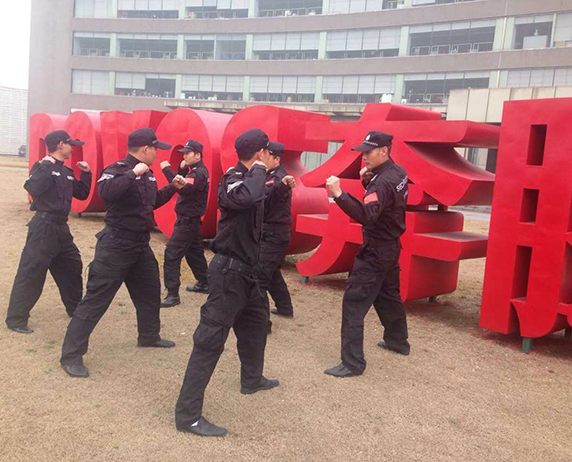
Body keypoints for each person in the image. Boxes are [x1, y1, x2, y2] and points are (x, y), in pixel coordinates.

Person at [175, 128, 279, 438]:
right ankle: (188, 416)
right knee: (209, 340)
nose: (270, 157)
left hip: (248, 273)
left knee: (257, 326)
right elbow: (247, 197)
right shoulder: (233, 179)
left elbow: (263, 201)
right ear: (259, 154)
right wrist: (258, 168)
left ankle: (252, 379)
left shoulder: (254, 179)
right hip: (228, 273)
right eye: (267, 152)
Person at [60, 128, 185, 378]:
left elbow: (152, 202)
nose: (157, 153)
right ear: (145, 149)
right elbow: (106, 193)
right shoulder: (117, 169)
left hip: (140, 244)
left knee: (150, 292)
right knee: (96, 300)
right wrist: (132, 173)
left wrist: (172, 186)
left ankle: (148, 336)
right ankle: (71, 356)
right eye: (155, 148)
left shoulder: (149, 174)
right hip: (116, 245)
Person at [324, 131, 410, 378]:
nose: (364, 157)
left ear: (384, 151)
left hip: (376, 250)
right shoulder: (398, 172)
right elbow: (386, 204)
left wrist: (339, 194)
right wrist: (367, 182)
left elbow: (367, 214)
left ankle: (352, 363)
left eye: (369, 152)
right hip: (391, 246)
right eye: (363, 152)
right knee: (388, 296)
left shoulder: (381, 182)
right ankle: (397, 341)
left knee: (353, 302)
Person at [5, 130, 91, 334]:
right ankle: (16, 319)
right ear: (61, 145)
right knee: (32, 272)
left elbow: (82, 193)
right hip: (43, 228)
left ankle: (74, 309)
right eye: (70, 144)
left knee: (72, 266)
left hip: (61, 228)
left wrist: (86, 173)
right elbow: (32, 187)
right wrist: (45, 165)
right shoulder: (43, 166)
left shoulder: (66, 172)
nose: (73, 148)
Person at [159, 139, 210, 308]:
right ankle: (205, 282)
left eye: (188, 153)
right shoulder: (194, 171)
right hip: (189, 220)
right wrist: (181, 169)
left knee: (172, 254)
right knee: (194, 253)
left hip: (188, 221)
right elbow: (185, 183)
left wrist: (166, 169)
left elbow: (183, 188)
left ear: (198, 155)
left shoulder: (198, 173)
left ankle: (172, 294)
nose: (185, 156)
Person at [254, 141, 295, 324]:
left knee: (259, 277)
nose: (261, 156)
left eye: (265, 154)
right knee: (272, 274)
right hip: (272, 233)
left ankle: (261, 323)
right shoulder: (268, 174)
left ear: (276, 159)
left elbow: (267, 199)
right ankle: (285, 308)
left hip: (274, 235)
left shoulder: (279, 178)